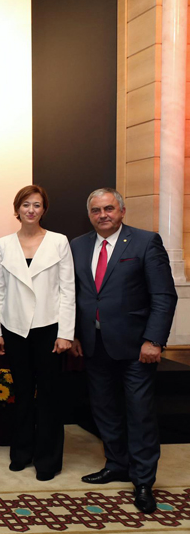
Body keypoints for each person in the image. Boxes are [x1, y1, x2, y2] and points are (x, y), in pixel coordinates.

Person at [70, 187, 177, 514]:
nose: (103, 215)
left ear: (122, 211)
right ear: (89, 215)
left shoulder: (146, 242)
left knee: (140, 413)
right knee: (104, 409)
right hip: (94, 344)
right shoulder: (78, 245)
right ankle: (116, 464)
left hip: (136, 347)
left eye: (109, 209)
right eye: (96, 210)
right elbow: (74, 294)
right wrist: (74, 335)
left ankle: (143, 480)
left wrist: (154, 340)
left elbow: (164, 295)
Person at [0, 185, 75, 481]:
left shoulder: (58, 241)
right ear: (17, 209)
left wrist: (66, 333)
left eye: (37, 205)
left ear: (44, 210)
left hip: (49, 328)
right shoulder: (4, 244)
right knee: (23, 393)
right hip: (14, 328)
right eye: (25, 204)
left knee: (49, 395)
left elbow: (67, 290)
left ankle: (48, 460)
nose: (31, 210)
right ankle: (21, 453)